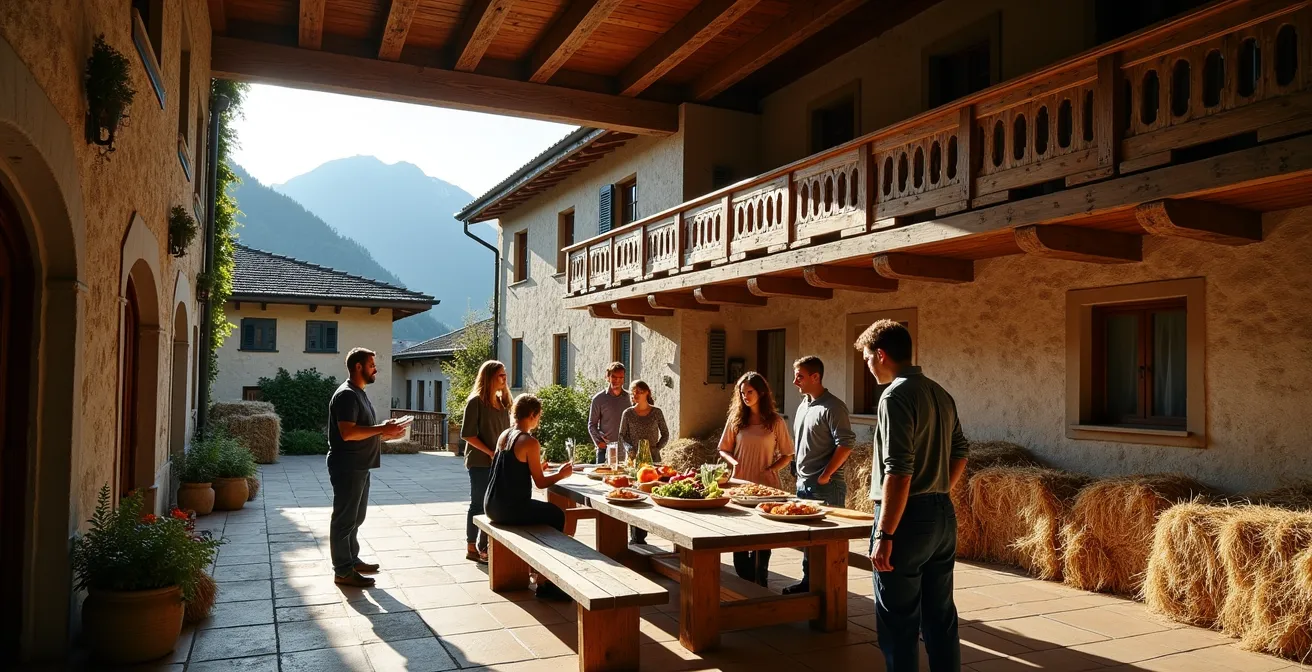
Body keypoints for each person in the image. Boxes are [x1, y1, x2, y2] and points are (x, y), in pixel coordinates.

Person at [859, 319, 968, 672]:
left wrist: (885, 533)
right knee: (940, 616)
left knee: (899, 622)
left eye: (867, 358)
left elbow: (898, 469)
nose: (867, 366)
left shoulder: (895, 396)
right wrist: (939, 487)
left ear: (881, 354)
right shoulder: (940, 392)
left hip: (906, 519)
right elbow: (961, 451)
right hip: (941, 515)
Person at [328, 347, 406, 587]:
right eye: (372, 365)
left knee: (356, 518)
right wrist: (382, 429)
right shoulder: (347, 395)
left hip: (360, 465)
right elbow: (348, 433)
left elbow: (363, 431)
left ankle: (351, 561)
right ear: (358, 366)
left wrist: (385, 431)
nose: (376, 369)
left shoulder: (358, 393)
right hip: (348, 466)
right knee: (344, 520)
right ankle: (343, 571)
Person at [484, 393, 575, 600]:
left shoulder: (505, 435)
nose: (539, 420)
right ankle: (545, 582)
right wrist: (562, 474)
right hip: (510, 509)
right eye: (539, 415)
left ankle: (539, 572)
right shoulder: (529, 441)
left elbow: (510, 468)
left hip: (492, 503)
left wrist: (536, 467)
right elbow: (540, 483)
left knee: (547, 513)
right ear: (532, 414)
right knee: (556, 515)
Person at [785, 355, 857, 595]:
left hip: (826, 487)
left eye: (800, 376)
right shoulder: (804, 405)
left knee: (828, 543)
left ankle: (831, 592)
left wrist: (826, 475)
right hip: (804, 484)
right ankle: (809, 585)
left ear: (815, 377)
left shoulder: (833, 407)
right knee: (810, 541)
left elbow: (846, 444)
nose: (795, 381)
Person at [717, 372, 793, 586]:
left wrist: (772, 468)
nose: (745, 396)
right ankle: (747, 581)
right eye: (742, 393)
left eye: (749, 392)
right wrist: (733, 462)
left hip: (766, 488)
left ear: (761, 393)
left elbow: (787, 454)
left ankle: (761, 582)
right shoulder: (736, 420)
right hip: (740, 486)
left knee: (763, 541)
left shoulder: (775, 422)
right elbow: (723, 449)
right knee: (739, 542)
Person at [460, 360, 512, 564]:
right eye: (501, 375)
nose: (505, 378)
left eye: (505, 374)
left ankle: (485, 547)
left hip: (499, 462)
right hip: (480, 461)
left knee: (493, 505)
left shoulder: (502, 402)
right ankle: (471, 546)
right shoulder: (475, 402)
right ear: (489, 377)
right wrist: (489, 452)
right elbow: (467, 434)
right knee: (478, 504)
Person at [618, 379, 670, 544]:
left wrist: (656, 448)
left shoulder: (656, 412)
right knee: (635, 494)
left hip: (653, 461)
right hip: (634, 461)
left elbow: (665, 434)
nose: (636, 396)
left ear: (647, 392)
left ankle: (651, 529)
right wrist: (629, 450)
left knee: (652, 493)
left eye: (639, 392)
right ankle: (636, 536)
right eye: (633, 393)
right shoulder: (628, 413)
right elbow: (622, 435)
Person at [587, 362, 629, 463]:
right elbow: (592, 424)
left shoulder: (629, 398)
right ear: (608, 377)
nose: (617, 380)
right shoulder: (598, 399)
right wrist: (598, 442)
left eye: (621, 378)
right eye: (614, 377)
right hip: (605, 450)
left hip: (626, 450)